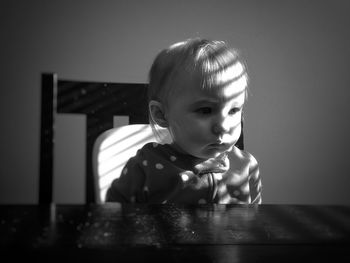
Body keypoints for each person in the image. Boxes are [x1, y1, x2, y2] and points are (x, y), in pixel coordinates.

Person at [106, 38, 262, 204]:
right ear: (161, 114)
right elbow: (114, 219)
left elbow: (254, 222)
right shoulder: (145, 168)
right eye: (205, 110)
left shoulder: (245, 166)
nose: (223, 126)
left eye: (234, 110)